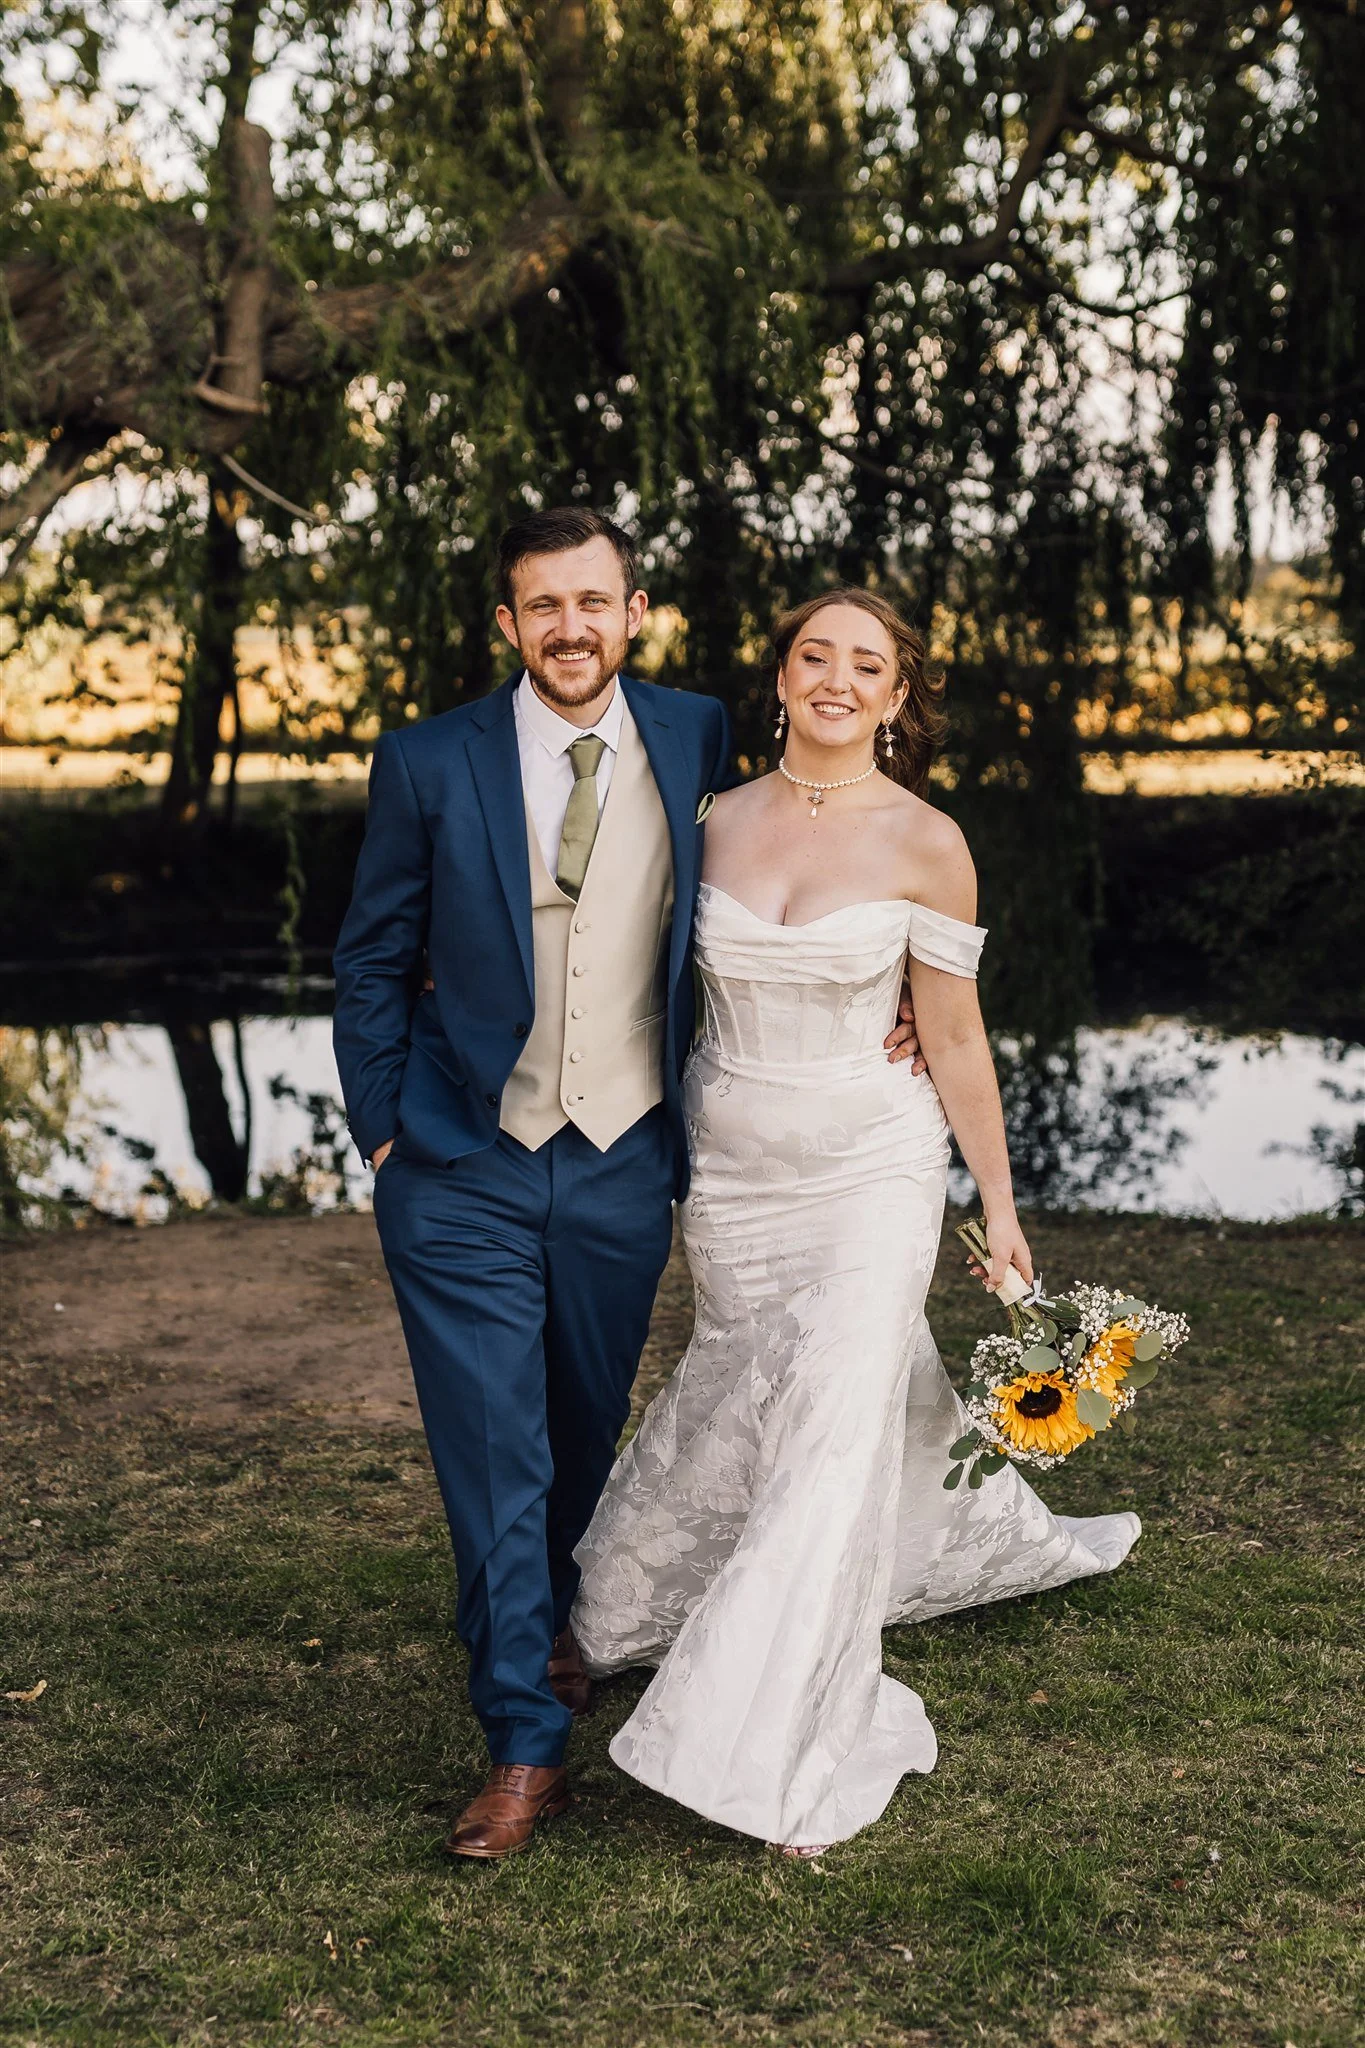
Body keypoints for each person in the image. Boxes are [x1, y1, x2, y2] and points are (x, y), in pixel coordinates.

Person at [331, 515, 919, 1860]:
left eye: (593, 603)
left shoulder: (698, 732)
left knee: (580, 1428)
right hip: (461, 1161)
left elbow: (809, 846)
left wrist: (886, 992)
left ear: (634, 611)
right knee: (496, 1443)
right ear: (509, 626)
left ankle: (530, 1626)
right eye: (544, 608)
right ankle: (524, 1741)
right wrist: (383, 1133)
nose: (571, 628)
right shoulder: (430, 762)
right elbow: (370, 959)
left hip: (623, 1157)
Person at [572, 588, 1141, 1856]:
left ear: (896, 697)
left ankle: (785, 1737)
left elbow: (951, 1031)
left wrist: (998, 1206)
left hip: (874, 1164)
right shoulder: (705, 821)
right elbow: (627, 978)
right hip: (733, 1170)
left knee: (834, 1424)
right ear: (778, 678)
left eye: (865, 664)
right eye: (814, 655)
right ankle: (623, 1605)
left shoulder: (929, 842)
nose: (836, 678)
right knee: (748, 1382)